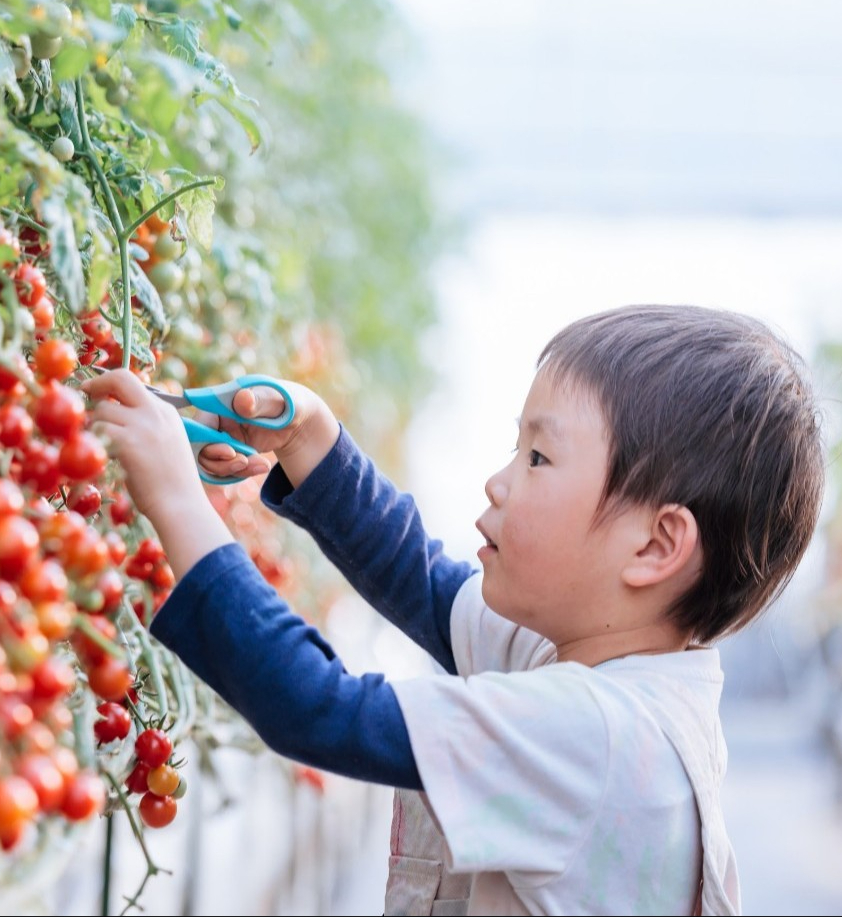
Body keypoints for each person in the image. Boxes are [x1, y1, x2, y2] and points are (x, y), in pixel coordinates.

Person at [81, 304, 825, 916]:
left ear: (655, 545)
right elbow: (428, 587)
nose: (498, 482)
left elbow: (317, 709)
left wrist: (177, 499)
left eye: (537, 458)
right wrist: (309, 440)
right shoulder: (596, 663)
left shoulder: (592, 734)